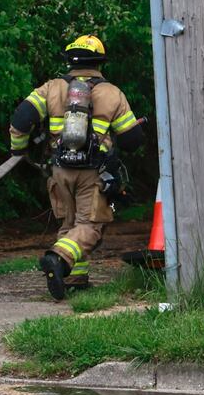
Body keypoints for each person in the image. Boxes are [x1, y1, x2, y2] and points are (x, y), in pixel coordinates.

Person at [8, 34, 145, 299]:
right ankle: (58, 259)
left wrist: (19, 150)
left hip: (59, 169)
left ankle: (74, 277)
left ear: (69, 60)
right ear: (100, 63)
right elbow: (131, 141)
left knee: (69, 223)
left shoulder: (51, 88)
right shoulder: (112, 93)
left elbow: (20, 120)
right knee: (90, 226)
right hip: (92, 173)